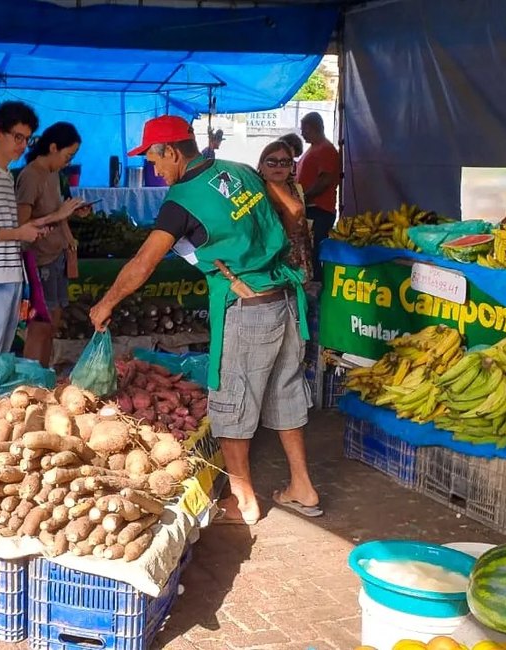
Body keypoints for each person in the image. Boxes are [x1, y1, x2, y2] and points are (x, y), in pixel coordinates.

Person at [89, 116, 321, 525]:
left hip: (246, 307)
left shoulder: (180, 201)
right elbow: (293, 211)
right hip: (284, 298)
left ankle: (243, 500)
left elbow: (144, 264)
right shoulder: (239, 170)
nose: (154, 170)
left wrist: (106, 302)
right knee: (285, 393)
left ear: (172, 152)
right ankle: (302, 486)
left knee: (230, 401)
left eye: (154, 160)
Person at [0, 101, 67, 405]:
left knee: (0, 358)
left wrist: (38, 226)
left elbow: (7, 228)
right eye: (18, 137)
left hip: (9, 276)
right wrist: (20, 233)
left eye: (28, 139)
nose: (23, 145)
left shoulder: (6, 175)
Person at [15, 122, 87, 368]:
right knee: (39, 325)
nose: (69, 162)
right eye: (68, 156)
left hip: (56, 257)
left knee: (53, 322)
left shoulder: (54, 174)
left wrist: (72, 212)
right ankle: (30, 381)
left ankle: (42, 376)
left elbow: (56, 212)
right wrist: (58, 215)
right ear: (53, 148)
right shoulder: (30, 176)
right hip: (38, 261)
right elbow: (22, 226)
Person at [258, 140, 313, 284]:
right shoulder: (255, 192)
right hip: (273, 260)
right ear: (261, 165)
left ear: (291, 166)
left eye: (284, 162)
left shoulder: (297, 189)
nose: (278, 167)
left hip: (299, 257)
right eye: (272, 162)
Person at [296, 112, 340, 278]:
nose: (302, 133)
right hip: (310, 208)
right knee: (309, 252)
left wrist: (304, 196)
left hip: (320, 210)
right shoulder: (315, 148)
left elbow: (325, 180)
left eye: (304, 129)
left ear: (314, 127)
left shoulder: (326, 149)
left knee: (315, 253)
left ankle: (318, 285)